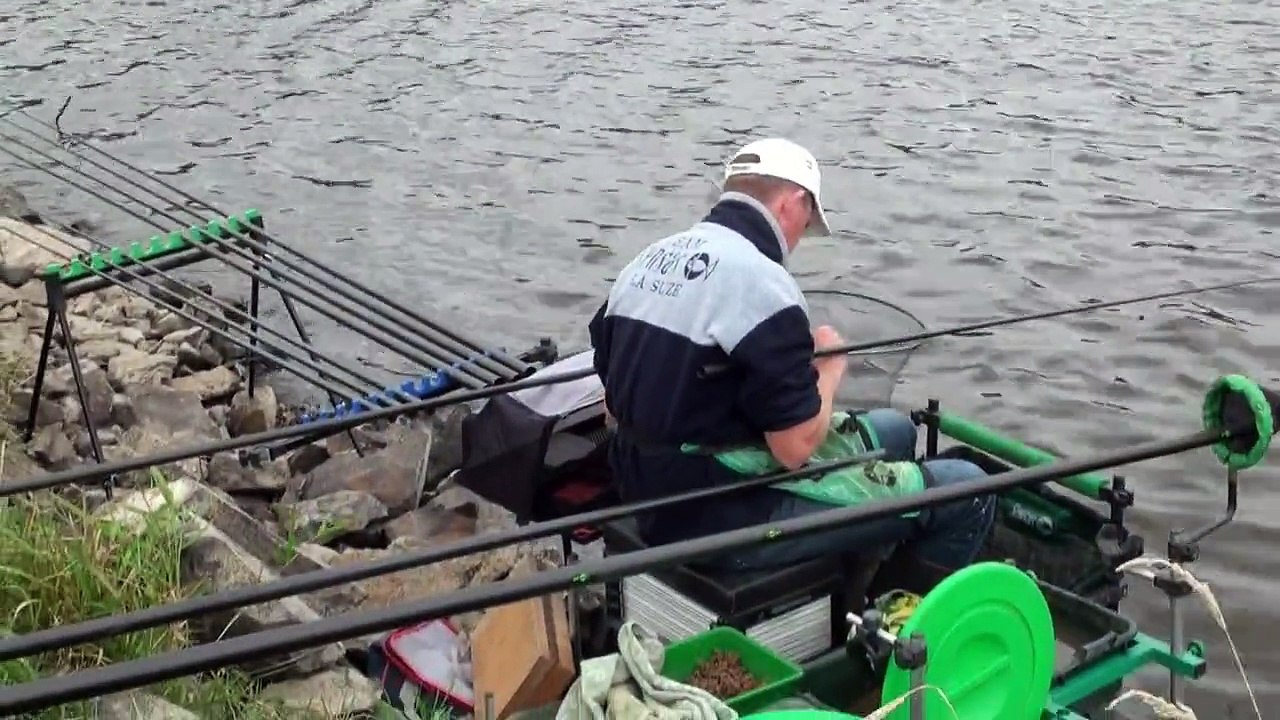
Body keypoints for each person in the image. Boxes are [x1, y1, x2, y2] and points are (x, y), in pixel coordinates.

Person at [587, 137, 995, 573]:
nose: (800, 237)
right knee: (966, 491)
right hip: (721, 520)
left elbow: (614, 406)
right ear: (792, 204)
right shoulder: (764, 283)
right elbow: (794, 450)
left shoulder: (646, 263)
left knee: (894, 430)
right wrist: (829, 365)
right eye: (807, 221)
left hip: (644, 491)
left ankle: (853, 573)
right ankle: (891, 623)